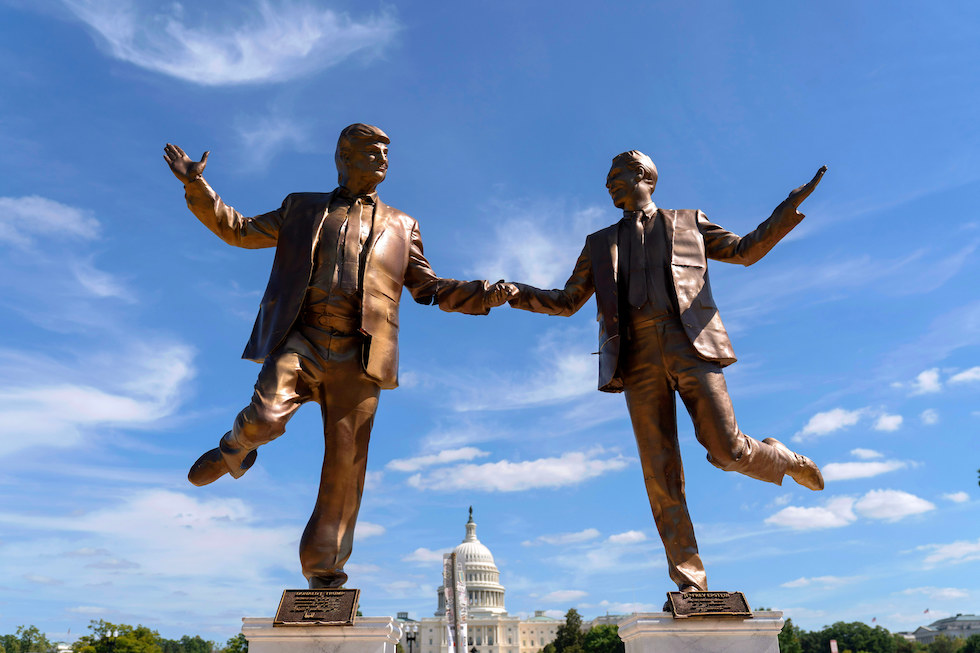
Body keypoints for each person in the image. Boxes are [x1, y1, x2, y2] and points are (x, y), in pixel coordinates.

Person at [163, 123, 515, 589]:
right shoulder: (302, 207)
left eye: (386, 154)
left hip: (361, 354)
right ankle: (236, 449)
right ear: (343, 158)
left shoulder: (403, 225)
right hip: (302, 339)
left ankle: (324, 571)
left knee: (345, 470)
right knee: (266, 417)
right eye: (371, 153)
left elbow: (427, 287)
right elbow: (240, 230)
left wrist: (482, 295)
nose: (382, 162)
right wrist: (196, 184)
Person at [506, 150, 827, 592]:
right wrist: (514, 293)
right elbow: (566, 302)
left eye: (614, 175)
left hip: (690, 343)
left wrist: (784, 212)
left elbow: (743, 251)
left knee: (727, 451)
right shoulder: (598, 243)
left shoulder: (689, 221)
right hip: (635, 358)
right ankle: (690, 579)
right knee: (660, 472)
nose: (607, 184)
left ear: (643, 176)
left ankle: (782, 458)